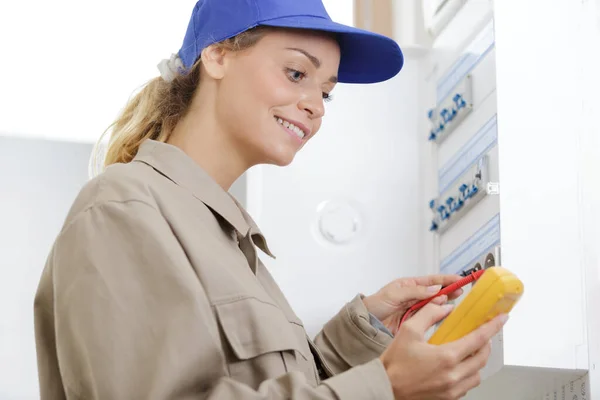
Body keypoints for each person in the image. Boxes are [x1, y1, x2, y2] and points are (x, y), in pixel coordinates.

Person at [33, 0, 508, 399]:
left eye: (327, 92)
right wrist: (385, 387)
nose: (316, 105)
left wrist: (359, 334)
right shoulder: (122, 208)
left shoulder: (227, 240)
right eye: (297, 72)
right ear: (217, 55)